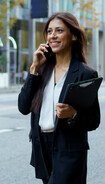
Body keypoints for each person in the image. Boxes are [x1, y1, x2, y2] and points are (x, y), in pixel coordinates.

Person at [18, 12, 100, 184]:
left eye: (59, 30)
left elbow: (93, 120)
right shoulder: (41, 70)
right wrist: (33, 68)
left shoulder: (85, 73)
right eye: (49, 31)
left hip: (68, 149)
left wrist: (73, 114)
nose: (53, 35)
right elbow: (23, 107)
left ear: (74, 36)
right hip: (42, 147)